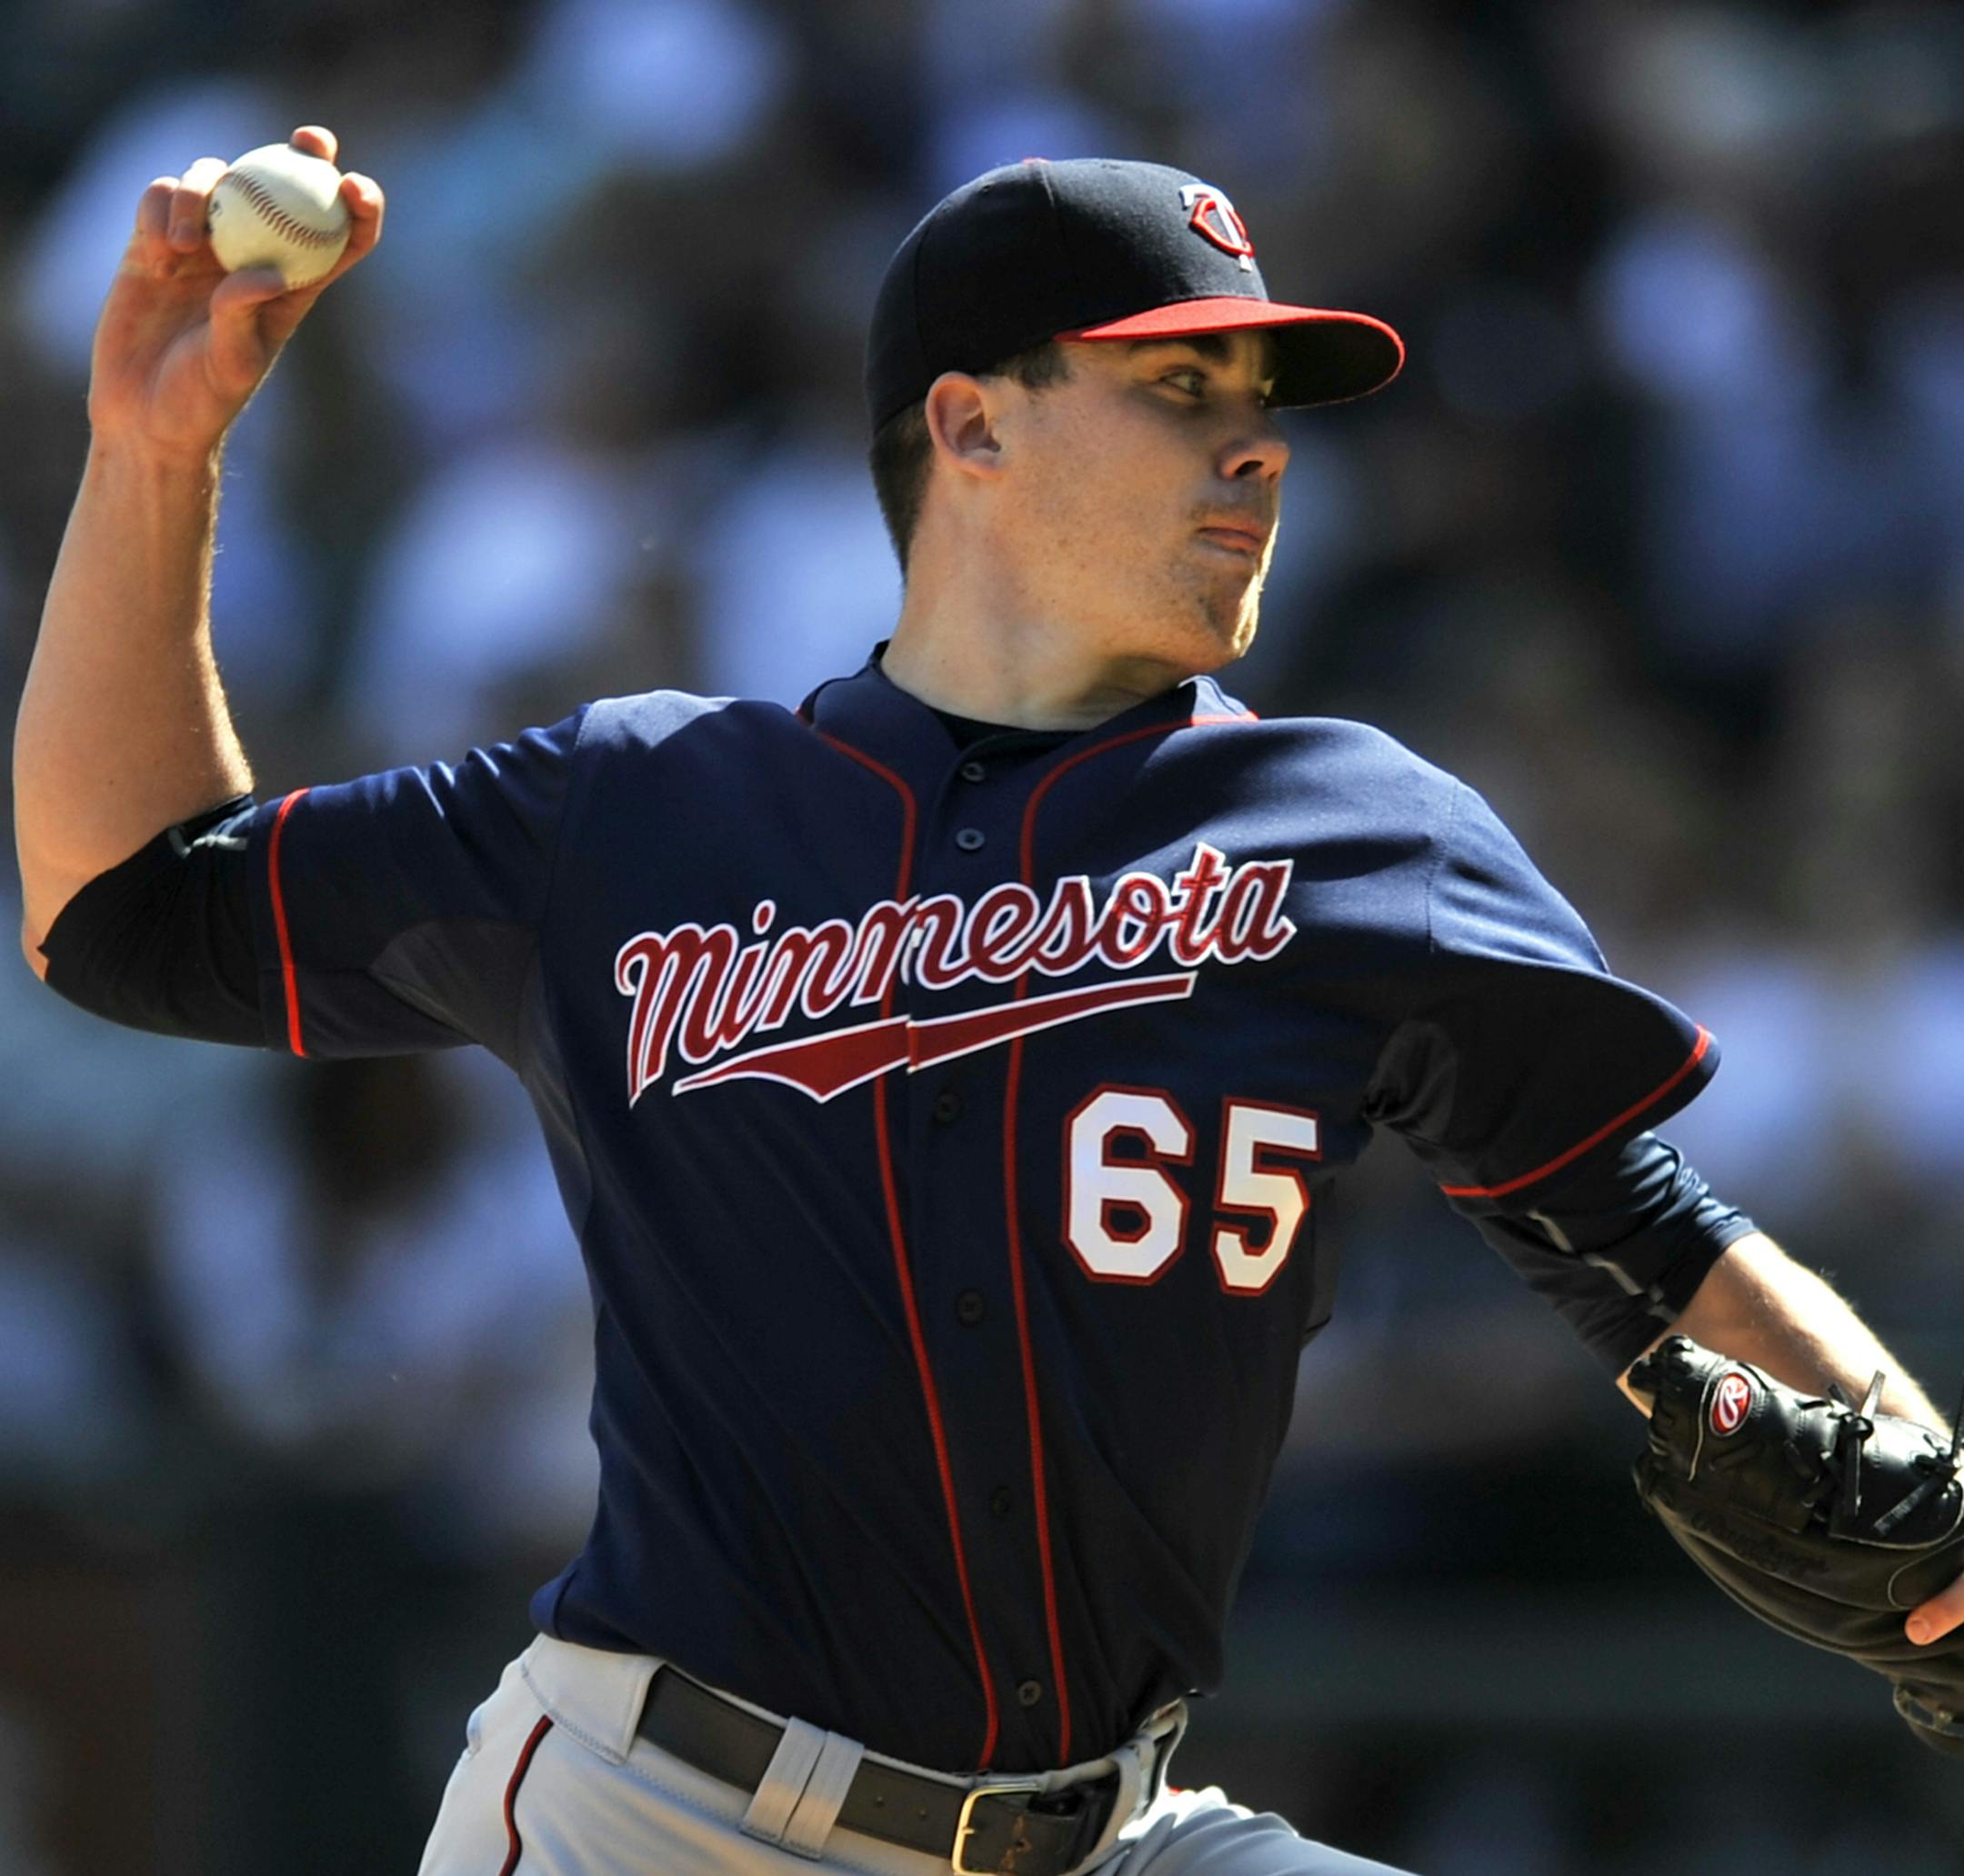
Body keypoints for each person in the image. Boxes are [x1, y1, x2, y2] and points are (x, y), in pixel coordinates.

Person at [13, 127, 1964, 1876]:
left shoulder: (1357, 835)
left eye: (1262, 395)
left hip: (1112, 1836)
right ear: (969, 428)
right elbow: (120, 907)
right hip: (668, 1821)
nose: (1258, 440)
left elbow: (1653, 1243)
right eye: (1181, 385)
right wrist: (155, 455)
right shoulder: (641, 810)